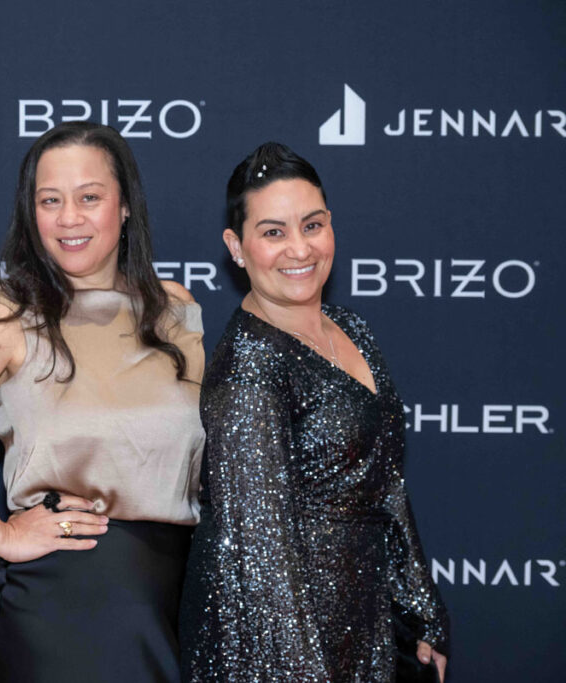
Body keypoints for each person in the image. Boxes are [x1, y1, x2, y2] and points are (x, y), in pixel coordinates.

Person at [0, 121, 206, 683]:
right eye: (50, 201)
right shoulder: (9, 315)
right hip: (59, 608)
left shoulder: (174, 309)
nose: (69, 217)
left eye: (89, 197)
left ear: (125, 206)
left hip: (170, 599)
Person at [179, 142, 449, 682]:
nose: (299, 248)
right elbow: (261, 560)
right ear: (236, 247)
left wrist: (422, 610)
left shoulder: (352, 329)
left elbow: (387, 484)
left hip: (362, 617)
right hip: (278, 646)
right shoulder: (249, 371)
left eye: (312, 225)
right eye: (273, 232)